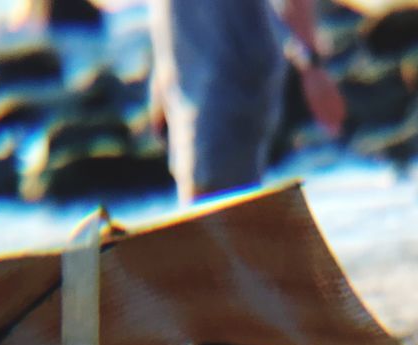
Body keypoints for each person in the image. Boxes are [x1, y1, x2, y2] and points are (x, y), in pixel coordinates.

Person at [148, 0, 346, 203]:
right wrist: (162, 80)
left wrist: (312, 64)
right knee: (209, 211)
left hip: (231, 77)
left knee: (218, 210)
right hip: (187, 84)